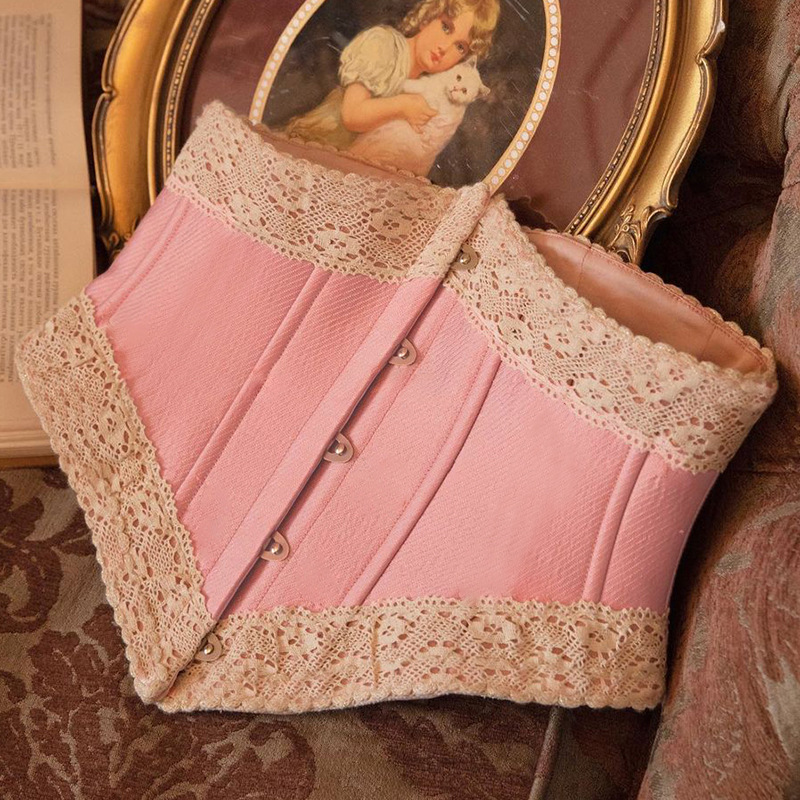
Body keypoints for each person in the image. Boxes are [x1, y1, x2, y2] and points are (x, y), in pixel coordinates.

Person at [281, 0, 500, 150]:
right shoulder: (383, 44)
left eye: (460, 47)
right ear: (428, 17)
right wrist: (401, 105)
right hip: (314, 143)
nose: (444, 47)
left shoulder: (426, 86)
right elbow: (351, 115)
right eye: (445, 27)